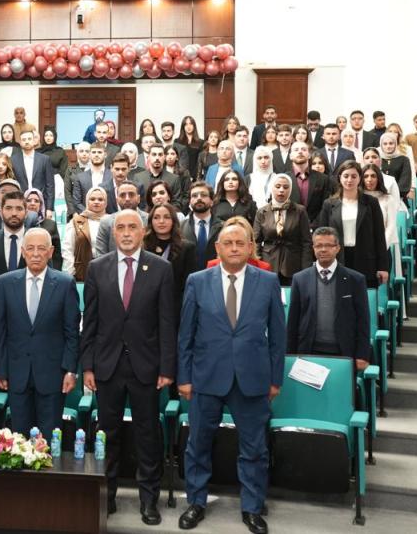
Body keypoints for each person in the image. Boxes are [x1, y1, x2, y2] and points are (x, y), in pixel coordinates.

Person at [177, 223, 285, 534]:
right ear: (218, 248)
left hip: (252, 378)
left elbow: (278, 336)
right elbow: (185, 335)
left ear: (251, 247)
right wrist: (184, 377)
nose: (234, 248)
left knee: (254, 448)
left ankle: (252, 507)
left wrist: (275, 379)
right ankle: (196, 502)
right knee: (198, 444)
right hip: (206, 377)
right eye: (228, 243)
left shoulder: (268, 282)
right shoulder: (197, 281)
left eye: (240, 243)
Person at [80, 209, 176, 524]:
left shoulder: (161, 268)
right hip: (107, 366)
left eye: (132, 227)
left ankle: (149, 501)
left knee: (147, 435)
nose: (125, 232)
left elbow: (166, 322)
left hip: (146, 367)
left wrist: (167, 368)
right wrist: (88, 366)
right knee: (107, 435)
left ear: (142, 231)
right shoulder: (97, 267)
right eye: (120, 227)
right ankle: (105, 497)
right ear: (113, 232)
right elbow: (90, 321)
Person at [0, 228, 80, 436]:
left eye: (41, 249)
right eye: (30, 248)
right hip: (17, 373)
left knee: (48, 439)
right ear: (23, 252)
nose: (36, 254)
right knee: (19, 439)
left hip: (53, 375)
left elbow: (72, 333)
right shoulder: (5, 283)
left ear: (51, 252)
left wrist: (70, 370)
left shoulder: (65, 283)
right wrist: (0, 370)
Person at [287, 227, 372, 368]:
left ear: (337, 248)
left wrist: (362, 355)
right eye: (319, 245)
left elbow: (363, 320)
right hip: (308, 351)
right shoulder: (300, 279)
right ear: (313, 248)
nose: (323, 250)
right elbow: (293, 322)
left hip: (344, 352)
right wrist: (289, 355)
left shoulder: (355, 280)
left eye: (328, 245)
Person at [317, 161, 389, 287]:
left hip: (365, 259)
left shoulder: (371, 202)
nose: (349, 180)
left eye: (354, 176)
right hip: (337, 258)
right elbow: (322, 236)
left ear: (360, 178)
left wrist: (383, 267)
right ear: (340, 177)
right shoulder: (329, 204)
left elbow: (379, 236)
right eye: (346, 176)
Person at [254, 173, 314, 285]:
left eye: (286, 187)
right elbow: (256, 242)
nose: (281, 190)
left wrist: (306, 268)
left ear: (290, 190)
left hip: (293, 265)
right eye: (278, 186)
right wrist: (258, 265)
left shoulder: (300, 211)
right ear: (271, 188)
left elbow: (306, 242)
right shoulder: (262, 212)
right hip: (268, 264)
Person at [143, 202, 195, 308]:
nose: (161, 221)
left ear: (173, 221)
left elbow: (188, 285)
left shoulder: (187, 248)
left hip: (174, 306)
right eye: (156, 217)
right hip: (145, 306)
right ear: (151, 221)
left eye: (166, 217)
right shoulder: (143, 247)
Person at [362, 164, 405, 279]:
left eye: (373, 176)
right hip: (361, 250)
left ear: (379, 178)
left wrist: (380, 248)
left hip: (382, 249)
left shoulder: (388, 199)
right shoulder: (358, 199)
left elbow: (391, 226)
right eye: (366, 176)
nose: (369, 179)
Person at [95, 180, 149, 257]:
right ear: (117, 200)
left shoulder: (149, 220)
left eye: (131, 195)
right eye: (122, 195)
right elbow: (100, 256)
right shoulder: (106, 222)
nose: (127, 199)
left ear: (138, 198)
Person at [63, 186, 106, 280]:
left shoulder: (112, 221)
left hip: (107, 273)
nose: (96, 202)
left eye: (100, 199)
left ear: (106, 202)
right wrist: (70, 273)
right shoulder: (76, 221)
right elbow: (68, 249)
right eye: (92, 199)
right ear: (87, 201)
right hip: (82, 272)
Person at [287, 141, 332, 228]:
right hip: (290, 228)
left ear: (309, 155)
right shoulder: (283, 179)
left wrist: (313, 225)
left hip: (317, 228)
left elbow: (326, 206)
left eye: (303, 149)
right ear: (290, 156)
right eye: (296, 150)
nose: (300, 152)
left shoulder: (323, 179)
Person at [181, 182, 223, 272]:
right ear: (190, 202)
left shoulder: (223, 227)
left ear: (212, 201)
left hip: (215, 275)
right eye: (194, 196)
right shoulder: (180, 227)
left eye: (203, 195)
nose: (199, 198)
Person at [11, 130, 54, 216]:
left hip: (41, 203)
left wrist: (49, 208)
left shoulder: (45, 159)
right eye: (24, 139)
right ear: (20, 142)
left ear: (34, 141)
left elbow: (50, 185)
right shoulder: (13, 160)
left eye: (29, 139)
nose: (27, 141)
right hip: (20, 203)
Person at [70, 142, 112, 214]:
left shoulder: (112, 176)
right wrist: (89, 214)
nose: (96, 155)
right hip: (86, 217)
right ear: (89, 155)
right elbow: (76, 202)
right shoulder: (80, 177)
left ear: (105, 154)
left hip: (109, 217)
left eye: (99, 152)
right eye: (93, 152)